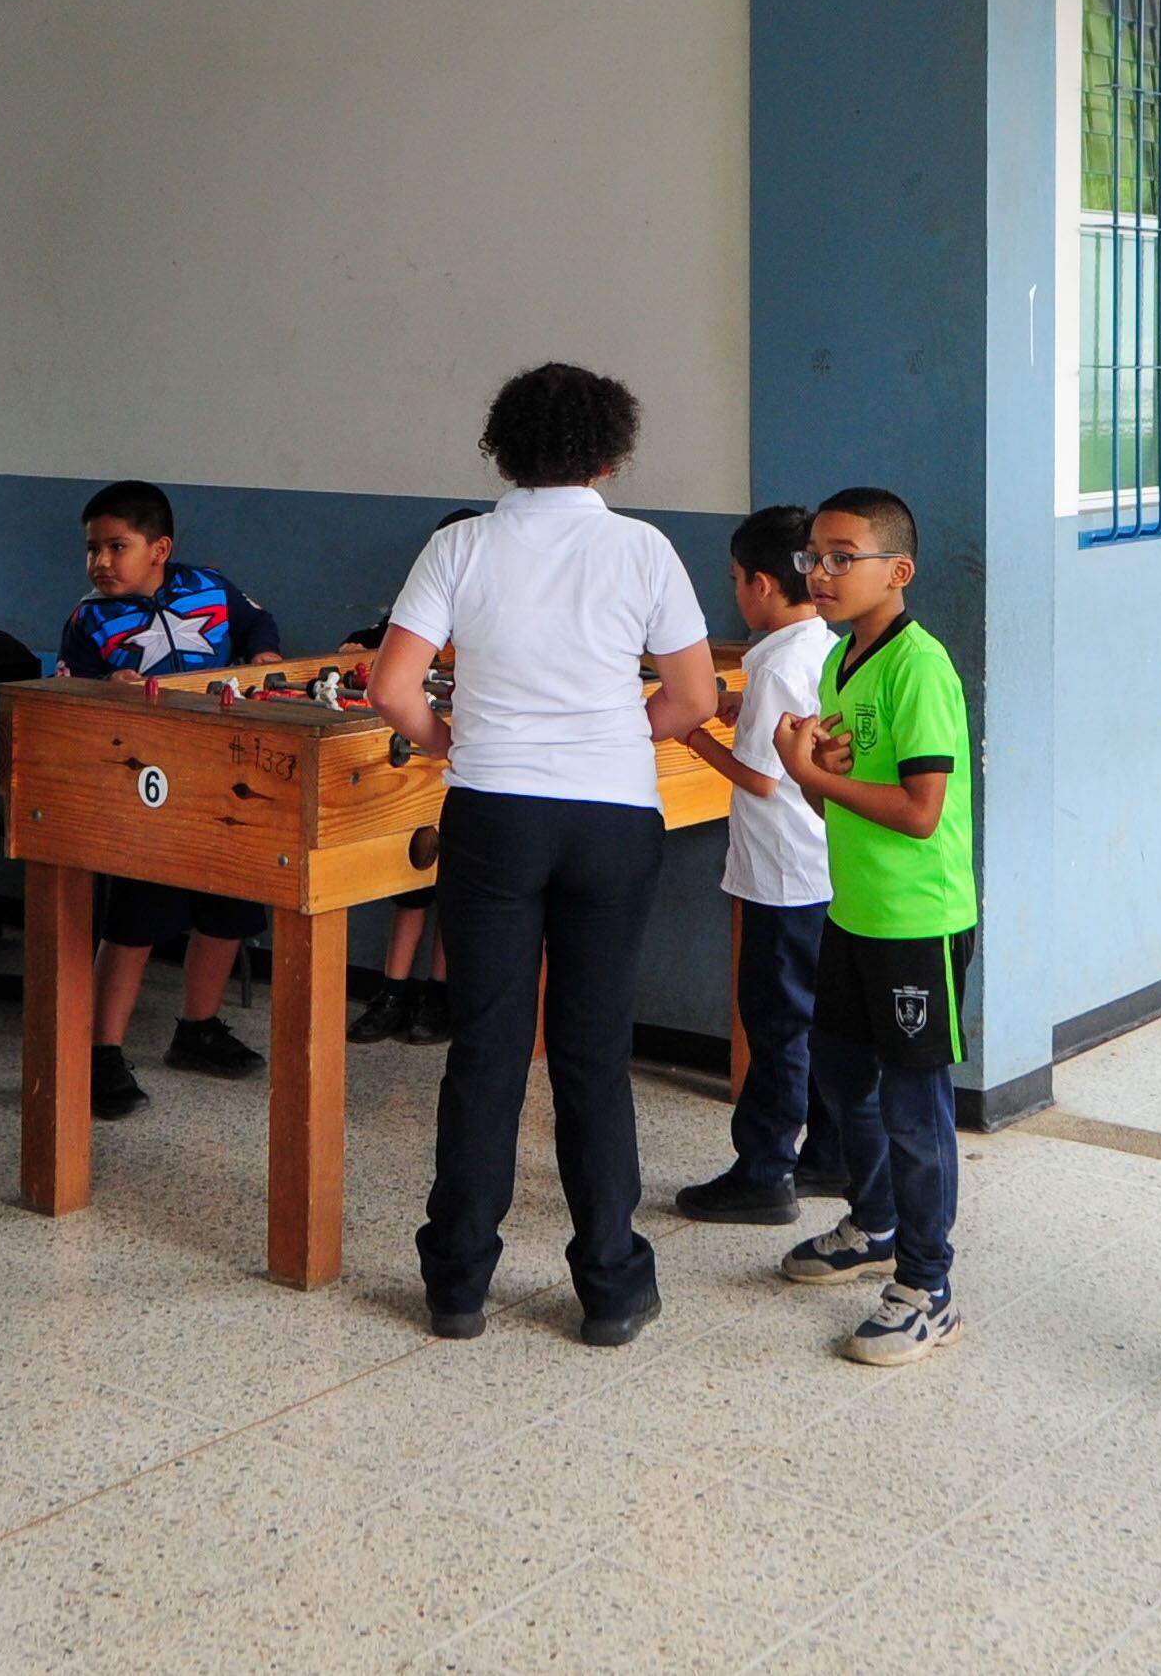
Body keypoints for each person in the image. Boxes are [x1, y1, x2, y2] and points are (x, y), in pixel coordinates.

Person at [372, 364, 717, 1347]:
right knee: (593, 1053)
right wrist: (614, 728)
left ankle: (457, 1284)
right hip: (611, 817)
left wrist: (449, 740)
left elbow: (391, 685)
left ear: (501, 450)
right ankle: (608, 1282)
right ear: (611, 454)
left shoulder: (460, 546)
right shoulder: (641, 548)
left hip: (493, 813)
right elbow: (694, 699)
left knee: (485, 1047)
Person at [769, 488, 977, 1368]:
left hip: (914, 921)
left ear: (897, 570)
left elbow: (920, 813)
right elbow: (835, 811)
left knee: (912, 1107)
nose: (820, 572)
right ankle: (878, 1223)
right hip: (851, 910)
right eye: (812, 556)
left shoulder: (916, 666)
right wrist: (809, 773)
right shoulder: (838, 661)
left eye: (840, 556)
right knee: (845, 1080)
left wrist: (802, 769)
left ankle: (927, 1286)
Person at [58, 480, 284, 1117]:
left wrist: (263, 653)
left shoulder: (208, 587)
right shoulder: (89, 619)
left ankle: (198, 1028)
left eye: (116, 546)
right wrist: (109, 687)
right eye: (92, 549)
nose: (100, 562)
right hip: (143, 790)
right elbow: (68, 693)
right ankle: (101, 1053)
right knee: (134, 921)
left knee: (228, 911)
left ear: (160, 548)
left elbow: (255, 621)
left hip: (220, 781)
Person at [672, 505, 845, 1224]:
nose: (736, 591)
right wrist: (737, 705)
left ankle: (763, 1170)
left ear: (764, 585)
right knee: (819, 1021)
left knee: (774, 1025)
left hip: (780, 874)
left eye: (738, 579)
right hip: (825, 868)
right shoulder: (823, 645)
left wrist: (691, 734)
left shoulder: (775, 661)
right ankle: (828, 1156)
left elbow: (762, 776)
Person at [344, 508, 484, 1048]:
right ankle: (393, 991)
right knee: (412, 887)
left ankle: (438, 992)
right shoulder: (418, 611)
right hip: (417, 760)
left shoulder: (494, 616)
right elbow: (379, 648)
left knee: (454, 884)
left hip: (470, 768)